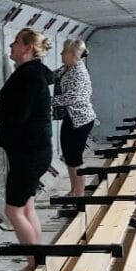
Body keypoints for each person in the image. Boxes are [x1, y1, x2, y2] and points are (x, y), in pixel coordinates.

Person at [0, 28, 55, 271]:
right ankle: (36, 262)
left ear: (27, 48)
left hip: (28, 153)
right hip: (34, 151)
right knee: (27, 208)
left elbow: (17, 116)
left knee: (13, 211)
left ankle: (33, 266)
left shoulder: (28, 76)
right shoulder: (33, 74)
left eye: (16, 42)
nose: (11, 46)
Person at [52, 38, 97, 197]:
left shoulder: (78, 72)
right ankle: (74, 191)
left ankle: (79, 193)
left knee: (75, 157)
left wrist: (45, 100)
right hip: (71, 117)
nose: (61, 54)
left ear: (72, 54)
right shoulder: (67, 68)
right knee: (69, 156)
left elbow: (71, 97)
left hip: (81, 120)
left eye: (64, 51)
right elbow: (52, 76)